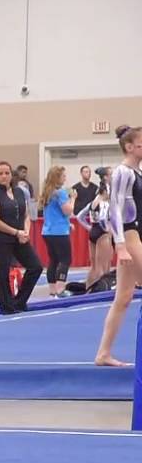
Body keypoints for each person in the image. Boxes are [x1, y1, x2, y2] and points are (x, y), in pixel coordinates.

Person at [95, 125, 142, 367]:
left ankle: (103, 353)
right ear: (130, 147)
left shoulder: (137, 172)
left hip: (136, 234)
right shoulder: (123, 172)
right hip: (130, 235)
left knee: (123, 297)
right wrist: (121, 245)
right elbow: (114, 207)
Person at [0, 161, 43, 314]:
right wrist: (15, 232)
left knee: (35, 266)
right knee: (3, 272)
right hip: (1, 238)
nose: (4, 176)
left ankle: (19, 301)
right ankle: (6, 306)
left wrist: (25, 232)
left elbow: (26, 214)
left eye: (7, 173)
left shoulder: (19, 192)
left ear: (11, 175)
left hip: (19, 236)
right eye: (0, 173)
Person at [38, 165, 73, 297]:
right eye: (63, 176)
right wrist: (73, 199)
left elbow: (53, 213)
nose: (65, 178)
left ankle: (52, 289)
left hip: (48, 231)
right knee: (65, 259)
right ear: (57, 178)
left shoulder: (47, 192)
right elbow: (67, 211)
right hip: (59, 232)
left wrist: (68, 224)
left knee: (53, 260)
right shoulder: (60, 193)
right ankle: (60, 288)